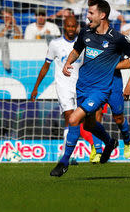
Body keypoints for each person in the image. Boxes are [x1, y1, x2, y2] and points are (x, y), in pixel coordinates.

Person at [50, 0, 130, 177]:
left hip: (100, 90)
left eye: (91, 13)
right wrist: (68, 62)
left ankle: (63, 162)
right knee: (90, 124)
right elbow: (77, 50)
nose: (87, 16)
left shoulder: (117, 38)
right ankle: (109, 142)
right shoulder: (85, 32)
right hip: (83, 87)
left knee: (75, 119)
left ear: (102, 15)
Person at [31, 16, 97, 164]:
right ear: (64, 26)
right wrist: (36, 88)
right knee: (69, 117)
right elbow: (46, 66)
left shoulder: (83, 44)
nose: (71, 29)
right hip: (63, 86)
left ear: (77, 27)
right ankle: (66, 155)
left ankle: (70, 152)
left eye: (74, 26)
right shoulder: (55, 44)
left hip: (80, 86)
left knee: (79, 120)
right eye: (69, 26)